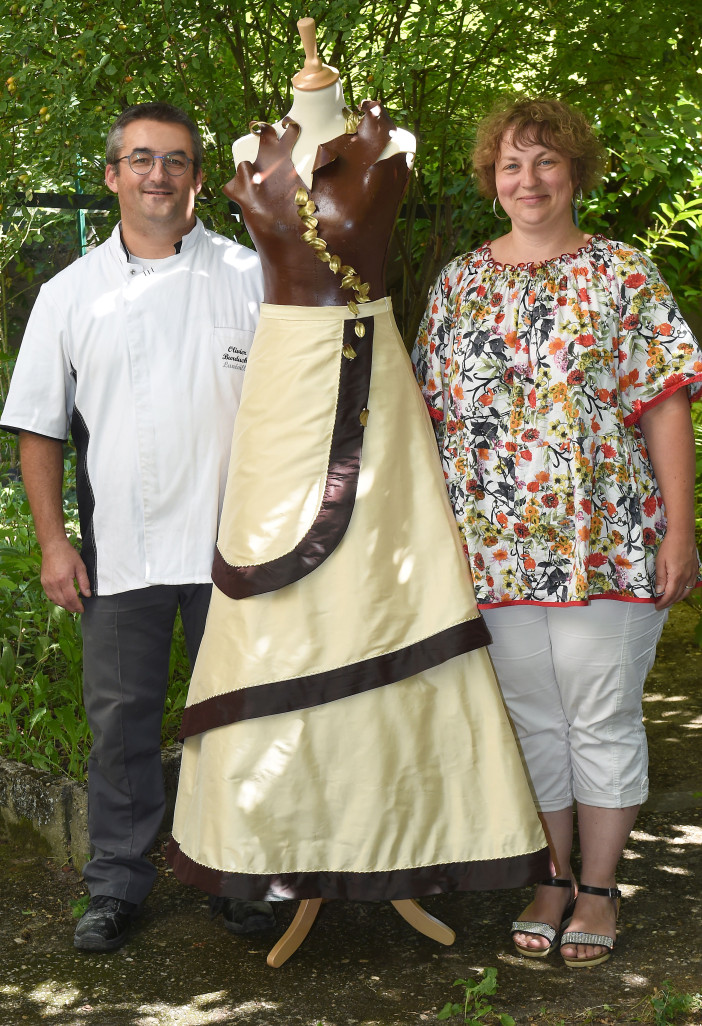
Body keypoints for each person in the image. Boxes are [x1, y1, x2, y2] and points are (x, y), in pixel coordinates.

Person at [167, 21, 549, 925]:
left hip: (372, 373)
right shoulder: (250, 150)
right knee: (285, 618)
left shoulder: (392, 144)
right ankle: (280, 842)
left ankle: (406, 839)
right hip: (281, 391)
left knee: (388, 593)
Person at [413, 96, 702, 968]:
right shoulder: (458, 282)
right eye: (511, 163)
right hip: (490, 552)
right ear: (491, 179)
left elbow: (666, 404)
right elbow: (425, 420)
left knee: (601, 717)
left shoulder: (622, 272)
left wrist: (680, 533)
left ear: (576, 170)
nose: (528, 178)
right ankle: (550, 877)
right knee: (534, 721)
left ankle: (601, 889)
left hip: (605, 540)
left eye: (545, 161)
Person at [0, 101, 264, 952]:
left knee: (243, 720)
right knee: (120, 727)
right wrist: (52, 542)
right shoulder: (70, 294)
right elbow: (39, 428)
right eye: (142, 159)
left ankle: (244, 878)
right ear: (112, 175)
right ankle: (116, 886)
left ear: (197, 175)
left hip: (240, 551)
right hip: (122, 552)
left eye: (177, 160)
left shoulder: (249, 276)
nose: (159, 175)